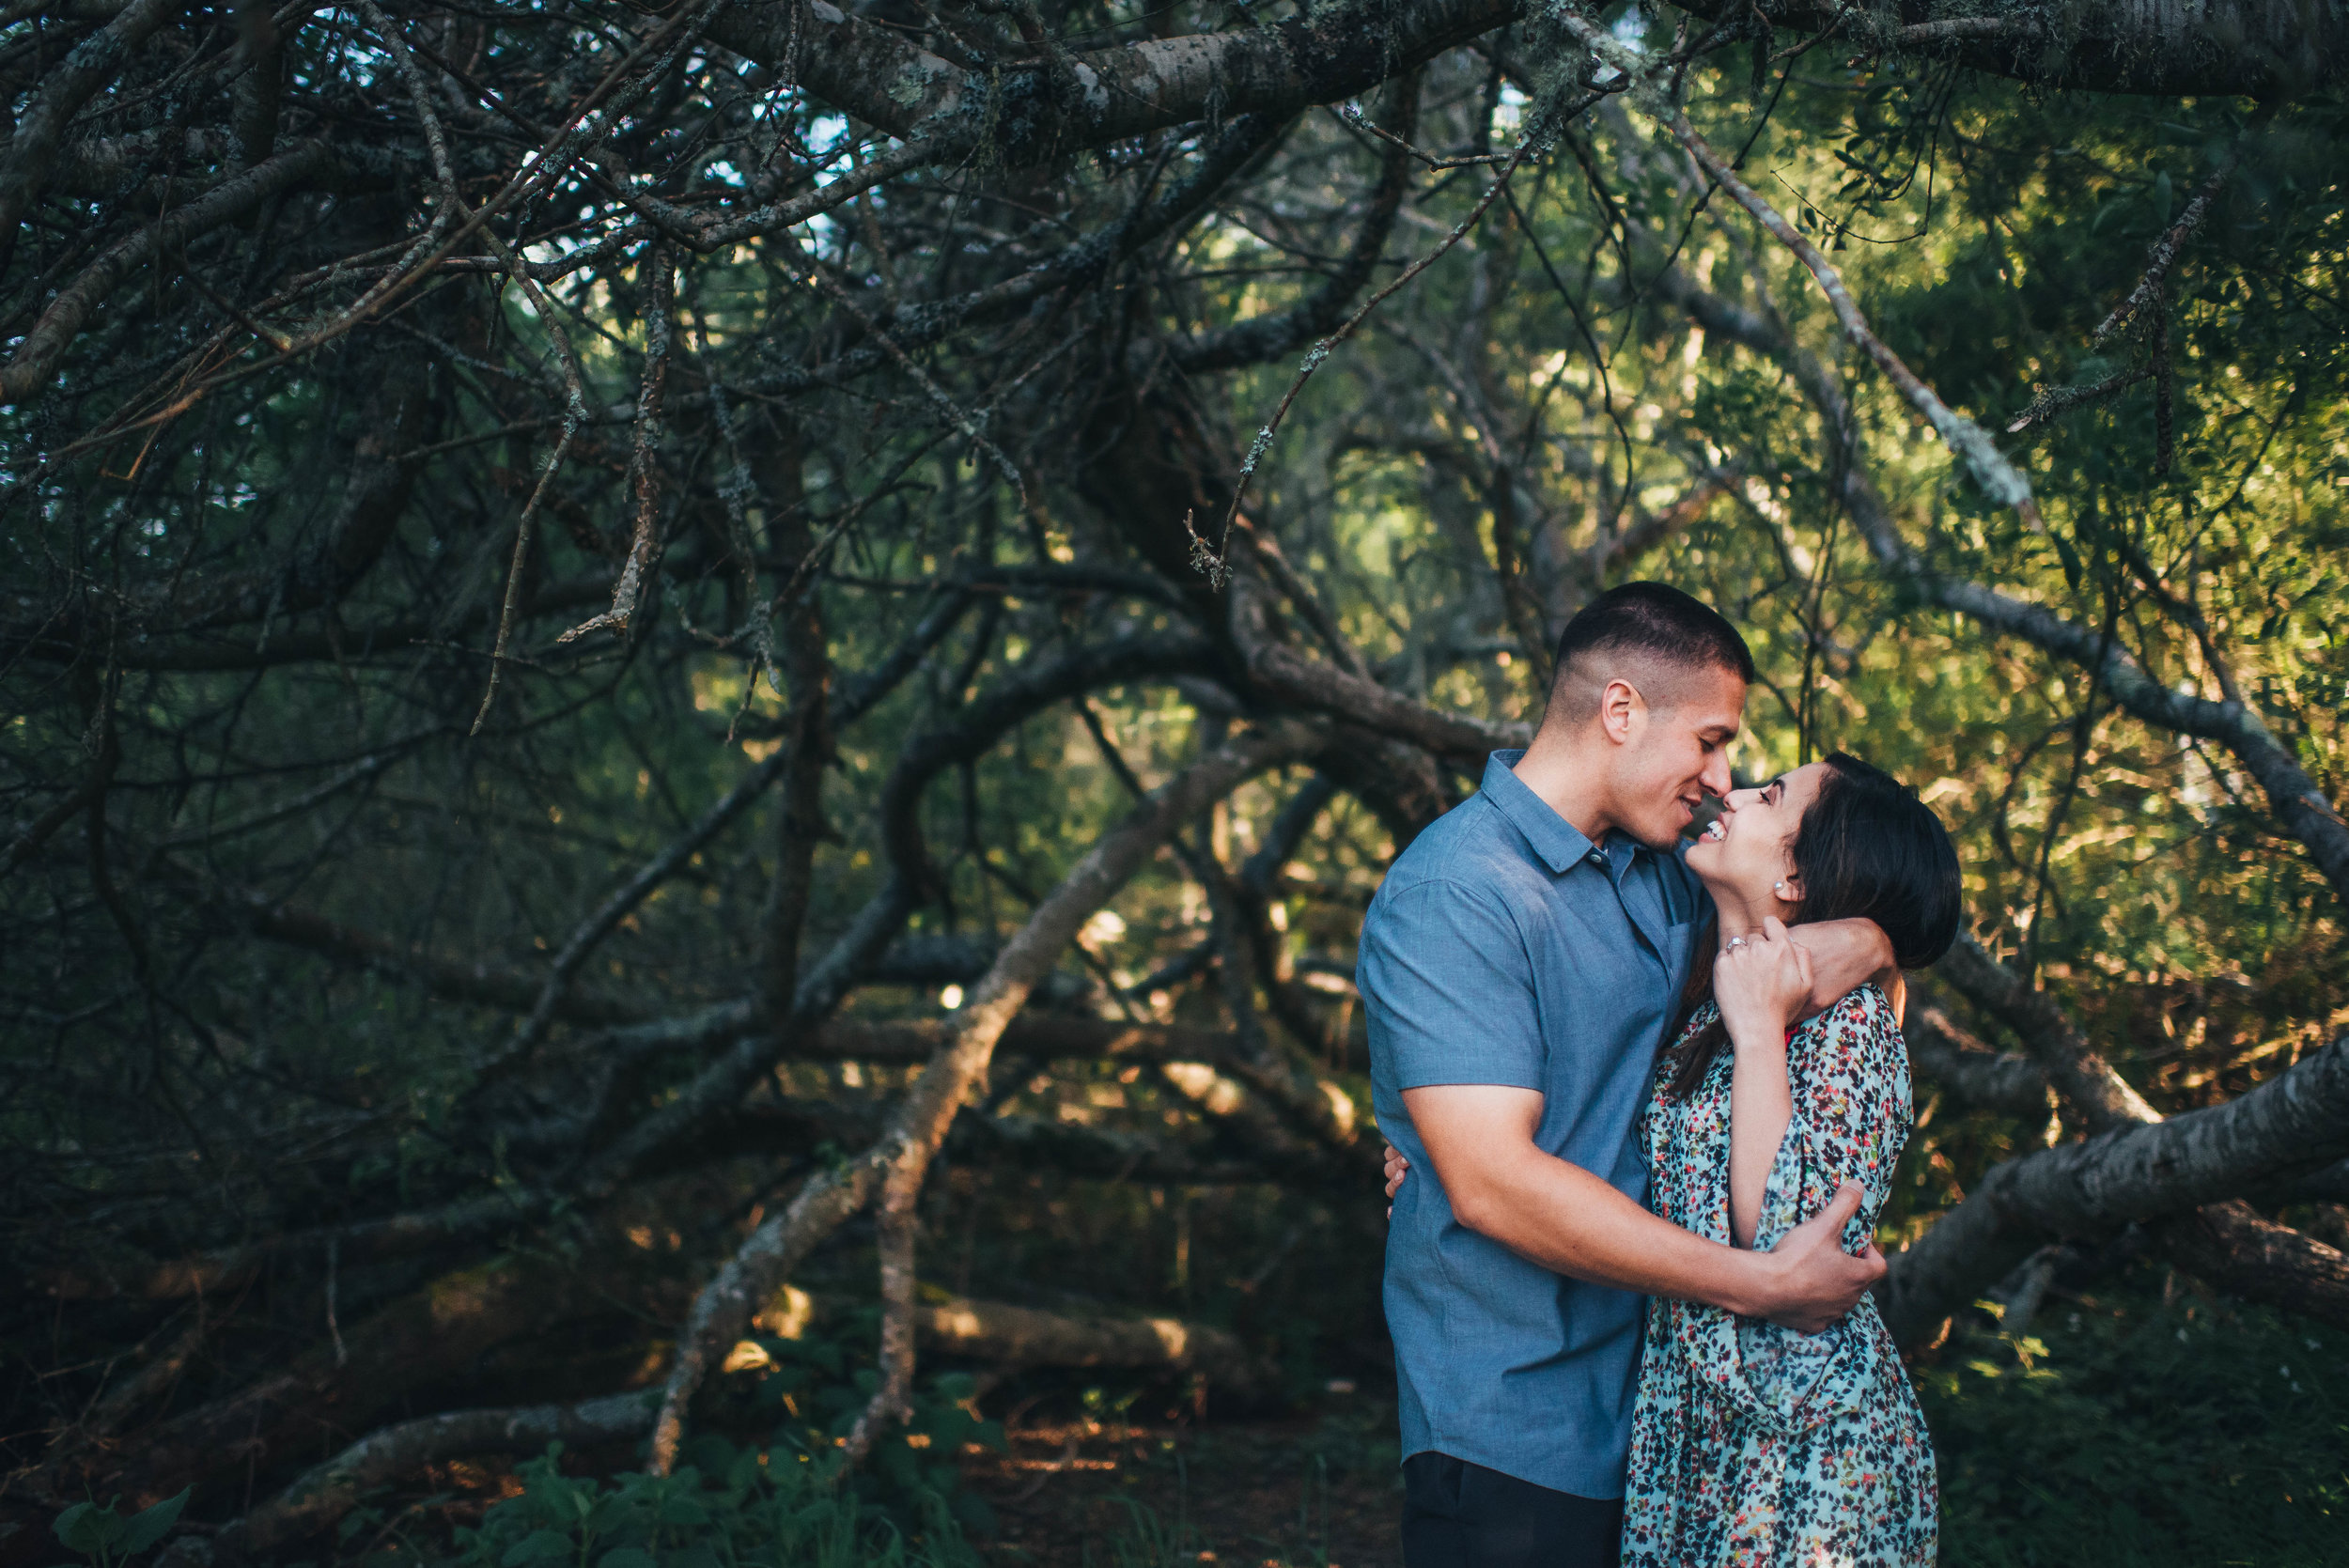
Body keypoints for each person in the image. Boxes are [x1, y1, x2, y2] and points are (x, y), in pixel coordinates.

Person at [1359, 582, 1895, 1568]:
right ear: (1619, 711)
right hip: (1515, 1428)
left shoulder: (1663, 871)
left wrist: (1873, 938)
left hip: (1670, 1437)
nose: (1722, 776)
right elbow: (1488, 1183)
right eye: (1709, 739)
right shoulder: (1455, 893)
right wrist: (1762, 1283)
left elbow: (1837, 900)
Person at [1617, 753, 1955, 1565]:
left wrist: (1763, 1027)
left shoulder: (1853, 1031)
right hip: (1698, 1433)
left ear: (1800, 875)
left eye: (1769, 796)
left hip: (1804, 1457)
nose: (1728, 794)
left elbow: (1779, 1236)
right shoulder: (1700, 1017)